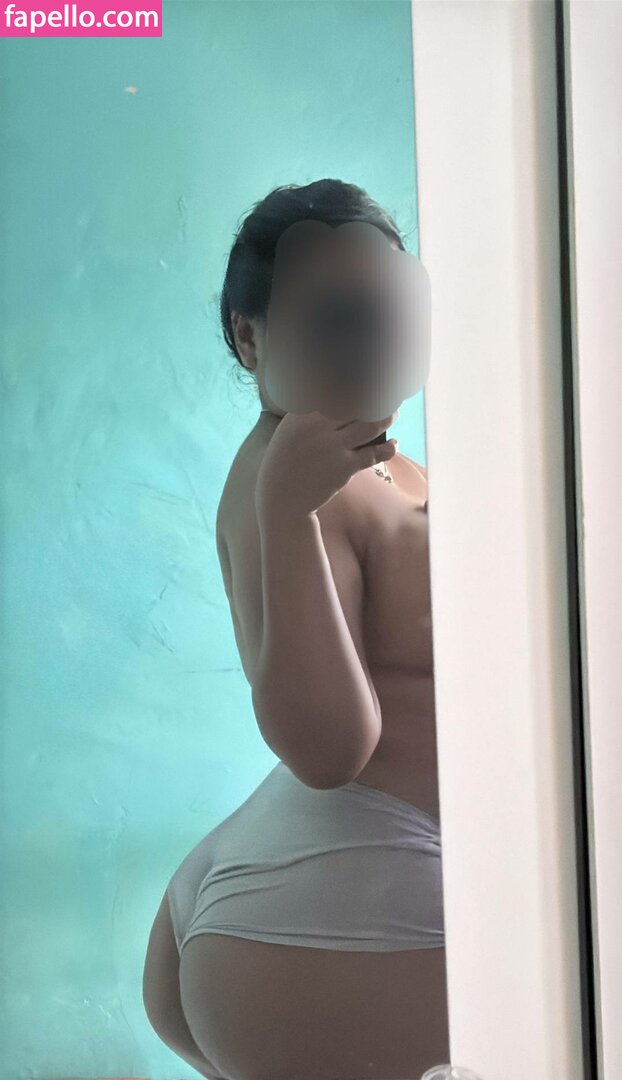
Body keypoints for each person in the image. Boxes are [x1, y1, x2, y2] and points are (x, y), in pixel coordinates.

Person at [142, 179, 448, 1080]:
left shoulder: (374, 465)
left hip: (317, 886)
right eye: (337, 318)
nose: (369, 342)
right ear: (251, 338)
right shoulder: (293, 480)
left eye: (384, 311)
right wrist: (287, 512)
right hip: (349, 903)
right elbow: (328, 749)